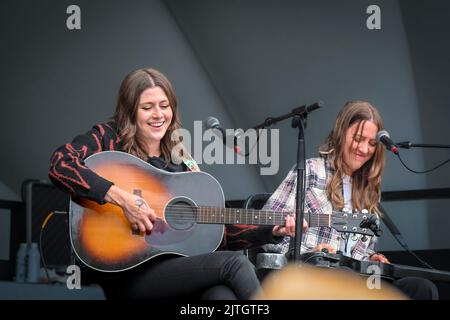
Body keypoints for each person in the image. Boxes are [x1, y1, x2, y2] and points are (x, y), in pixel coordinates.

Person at [48, 68, 296, 300]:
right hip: (123, 272)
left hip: (173, 270)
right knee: (235, 263)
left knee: (221, 295)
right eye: (147, 107)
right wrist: (123, 199)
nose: (158, 115)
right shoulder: (108, 137)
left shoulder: (180, 158)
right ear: (129, 110)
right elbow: (60, 164)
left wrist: (272, 230)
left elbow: (216, 234)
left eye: (164, 106)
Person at [262, 100, 439, 300]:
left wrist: (371, 258)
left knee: (421, 288)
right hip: (313, 279)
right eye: (358, 138)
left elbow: (360, 254)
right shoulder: (311, 170)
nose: (364, 149)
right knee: (344, 276)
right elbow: (265, 232)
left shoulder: (368, 188)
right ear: (341, 133)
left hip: (357, 280)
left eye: (372, 143)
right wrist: (312, 253)